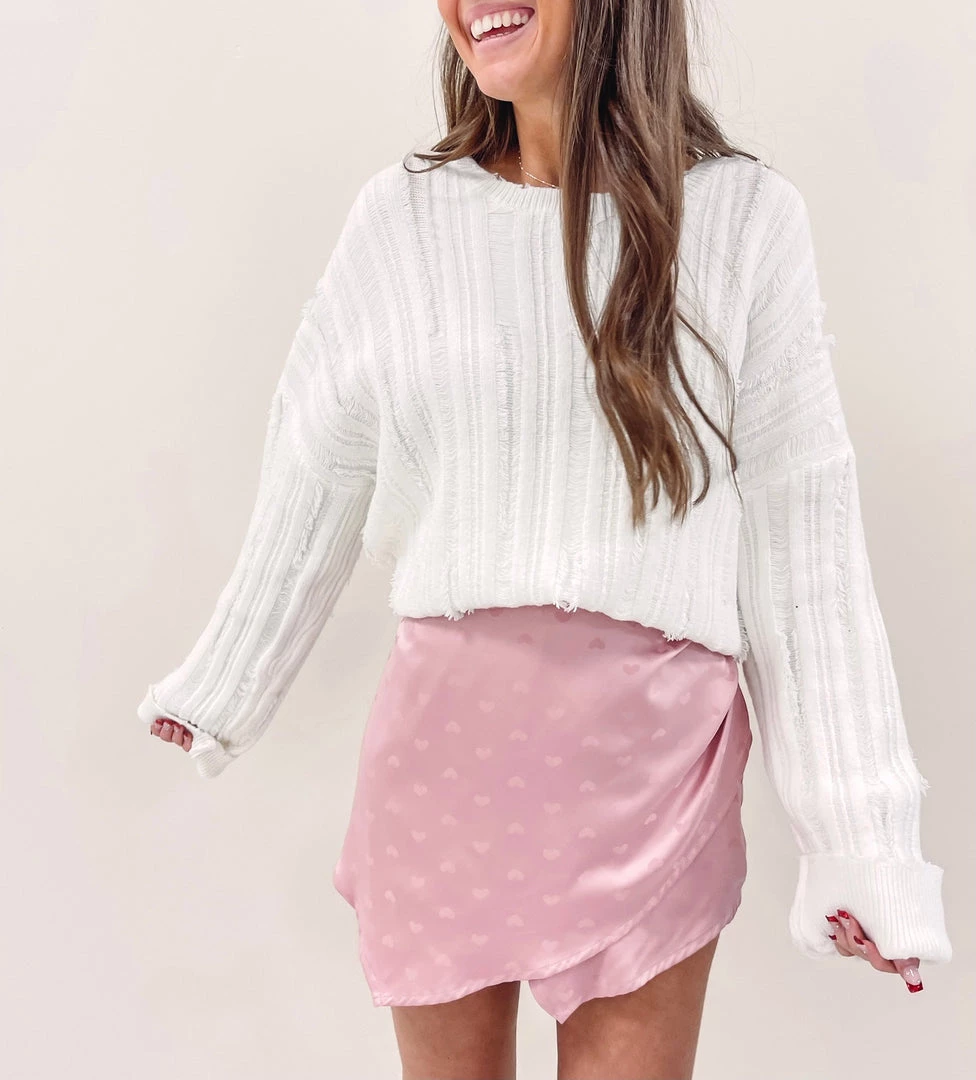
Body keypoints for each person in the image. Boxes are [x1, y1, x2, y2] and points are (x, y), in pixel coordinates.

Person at [138, 1, 952, 1077]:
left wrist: (862, 840)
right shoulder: (403, 219)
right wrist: (227, 682)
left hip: (652, 770)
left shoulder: (744, 219)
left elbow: (804, 535)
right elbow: (317, 459)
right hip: (443, 754)